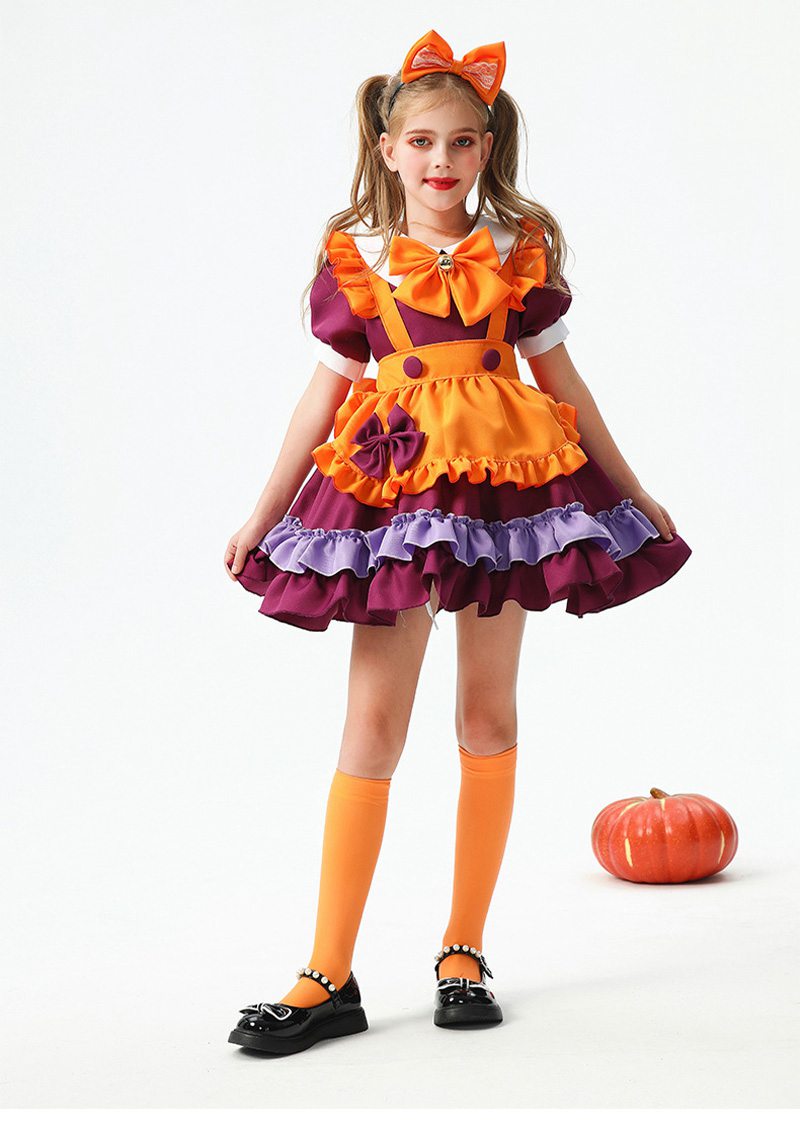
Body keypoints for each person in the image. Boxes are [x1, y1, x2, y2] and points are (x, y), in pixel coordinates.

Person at [224, 28, 692, 1056]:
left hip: (502, 494)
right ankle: (326, 974)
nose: (442, 161)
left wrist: (633, 489)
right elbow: (323, 392)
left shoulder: (516, 252)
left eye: (463, 143)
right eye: (423, 142)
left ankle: (464, 952)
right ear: (387, 149)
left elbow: (564, 385)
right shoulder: (358, 258)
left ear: (488, 147)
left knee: (486, 716)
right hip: (391, 494)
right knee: (371, 727)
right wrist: (263, 510)